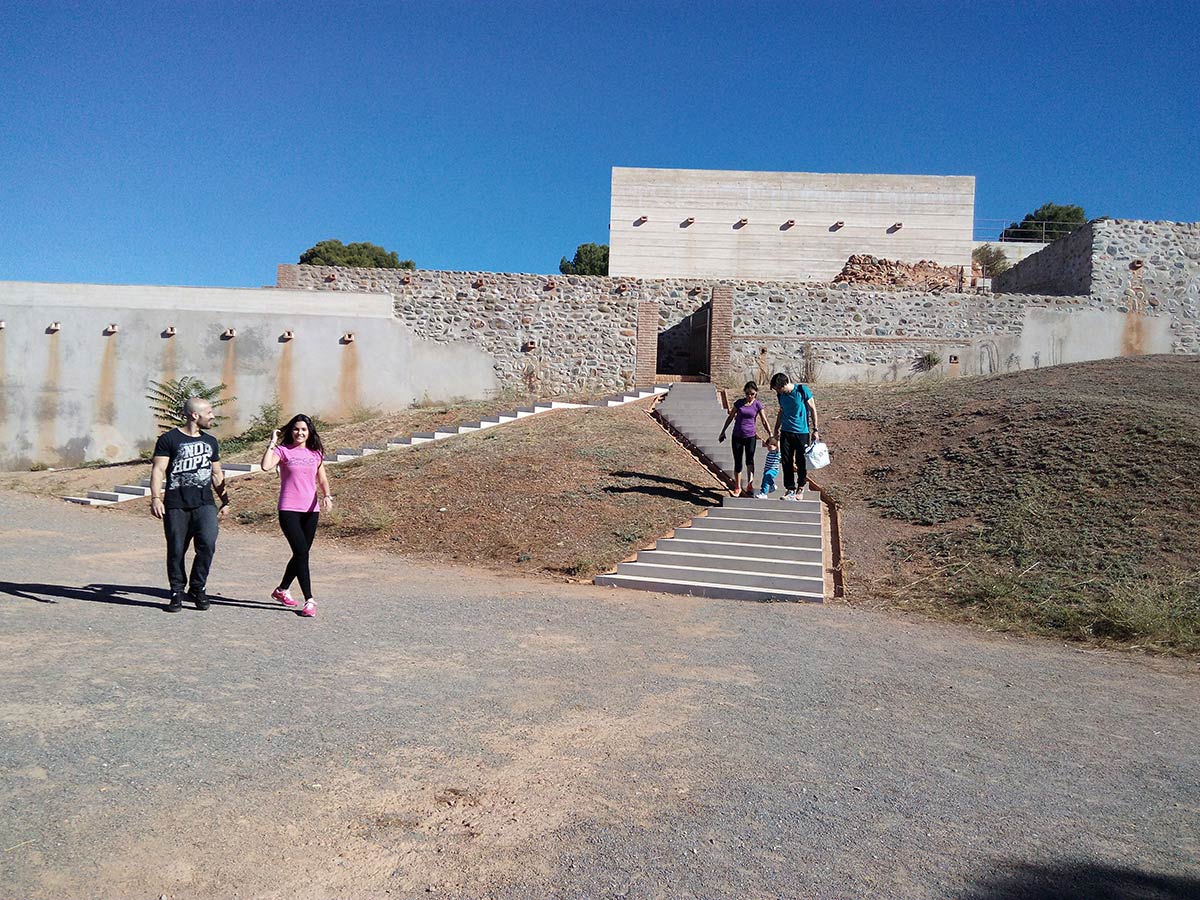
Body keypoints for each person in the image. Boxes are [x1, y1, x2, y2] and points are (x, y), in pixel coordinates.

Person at [150, 396, 229, 612]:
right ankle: (176, 591)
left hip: (205, 504)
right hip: (176, 504)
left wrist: (225, 500)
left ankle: (197, 587)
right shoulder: (169, 439)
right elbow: (158, 470)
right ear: (195, 415)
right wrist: (156, 498)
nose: (213, 416)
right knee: (176, 549)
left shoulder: (211, 441)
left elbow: (216, 473)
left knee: (208, 545)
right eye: (209, 412)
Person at [260, 414, 333, 618]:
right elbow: (266, 466)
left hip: (311, 510)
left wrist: (327, 495)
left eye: (303, 429)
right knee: (302, 553)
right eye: (295, 429)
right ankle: (309, 600)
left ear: (309, 432)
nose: (299, 433)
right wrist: (273, 441)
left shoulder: (316, 454)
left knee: (301, 554)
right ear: (290, 431)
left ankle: (281, 590)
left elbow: (322, 478)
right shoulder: (283, 451)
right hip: (289, 509)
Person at [769, 372, 820, 501]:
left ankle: (801, 487)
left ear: (784, 384)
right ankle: (790, 488)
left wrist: (815, 429)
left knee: (801, 461)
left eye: (779, 389)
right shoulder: (781, 396)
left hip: (802, 432)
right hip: (786, 431)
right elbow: (781, 411)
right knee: (786, 460)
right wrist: (776, 428)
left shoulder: (802, 390)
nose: (778, 392)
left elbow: (813, 409)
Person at [718, 381, 772, 496]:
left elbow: (764, 420)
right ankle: (737, 487)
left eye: (752, 393)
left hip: (750, 436)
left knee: (749, 460)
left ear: (756, 393)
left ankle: (750, 484)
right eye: (747, 393)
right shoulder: (739, 403)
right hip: (737, 436)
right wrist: (723, 431)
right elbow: (730, 417)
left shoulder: (757, 405)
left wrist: (770, 434)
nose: (749, 396)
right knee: (738, 461)